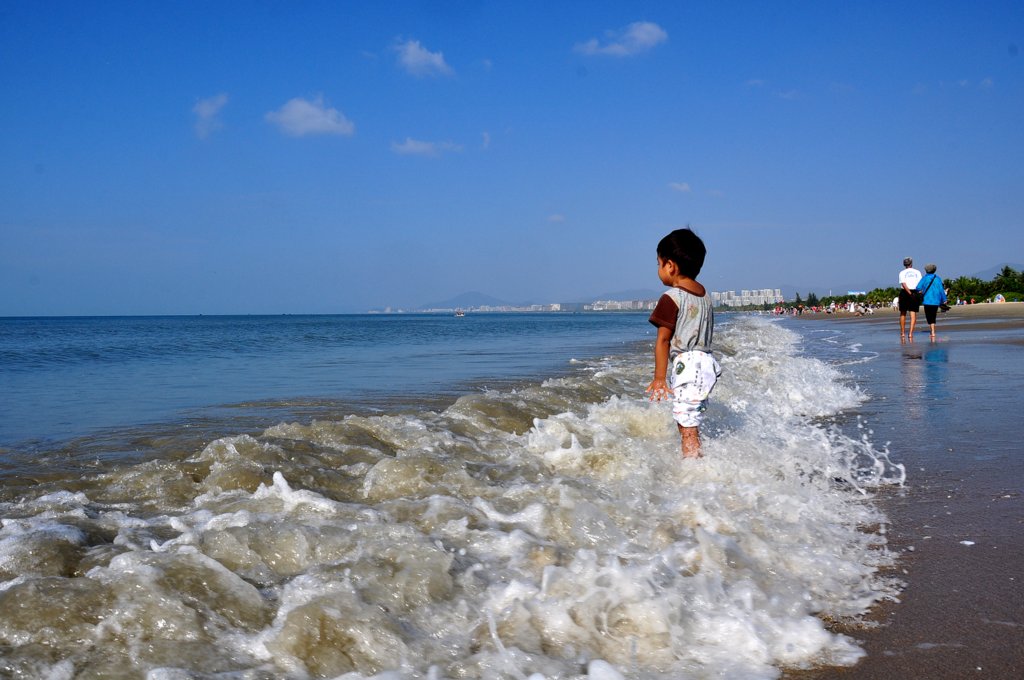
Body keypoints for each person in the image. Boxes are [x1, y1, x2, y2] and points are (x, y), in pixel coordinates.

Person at [646, 228, 722, 458]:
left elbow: (663, 340)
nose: (658, 270)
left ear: (670, 265)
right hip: (707, 363)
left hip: (687, 365)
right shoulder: (705, 296)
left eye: (658, 264)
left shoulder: (671, 297)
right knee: (690, 418)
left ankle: (693, 466)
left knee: (687, 426)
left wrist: (659, 377)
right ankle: (699, 457)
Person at [915, 263, 948, 341]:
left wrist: (921, 291)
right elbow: (941, 289)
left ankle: (932, 331)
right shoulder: (938, 278)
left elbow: (918, 287)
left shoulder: (924, 278)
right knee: (933, 315)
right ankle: (933, 331)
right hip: (936, 300)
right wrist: (944, 299)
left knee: (929, 316)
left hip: (927, 300)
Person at [898, 257, 922, 342]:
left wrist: (908, 292)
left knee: (903, 313)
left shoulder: (902, 272)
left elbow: (903, 284)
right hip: (914, 291)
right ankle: (910, 333)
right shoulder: (917, 272)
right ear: (911, 263)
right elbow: (920, 284)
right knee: (913, 313)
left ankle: (903, 332)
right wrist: (914, 293)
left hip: (905, 292)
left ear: (904, 264)